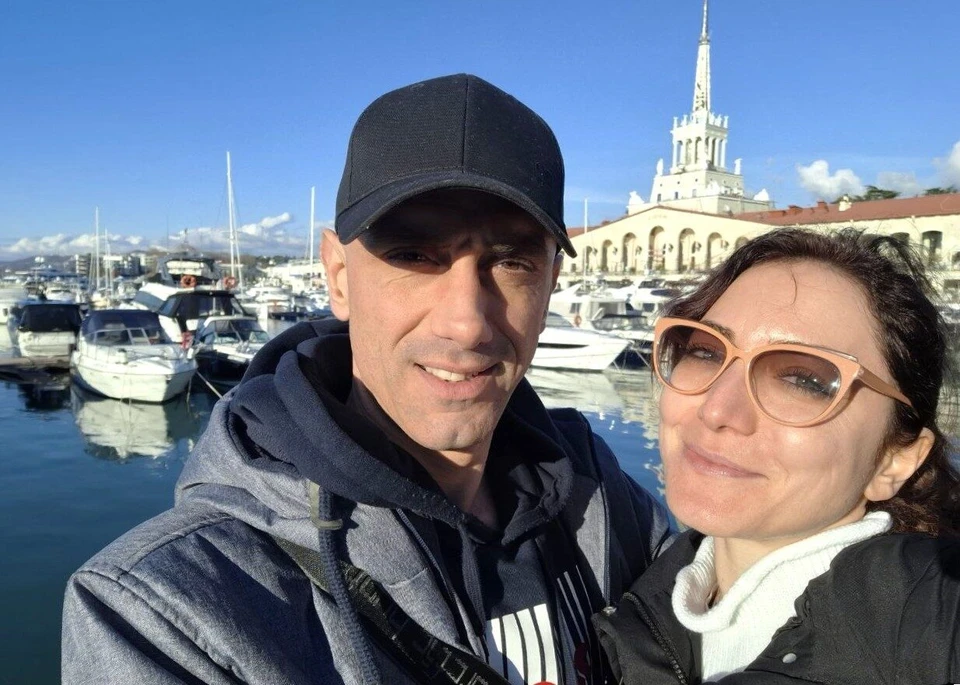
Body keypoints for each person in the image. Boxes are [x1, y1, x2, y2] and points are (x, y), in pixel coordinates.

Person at [62, 73, 671, 684]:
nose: (466, 323)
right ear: (339, 277)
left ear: (549, 286)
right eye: (413, 256)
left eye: (512, 262)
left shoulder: (604, 500)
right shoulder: (162, 613)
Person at [594, 228, 960, 683]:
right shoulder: (636, 602)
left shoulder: (933, 615)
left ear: (895, 458)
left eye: (804, 380)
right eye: (705, 351)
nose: (716, 409)